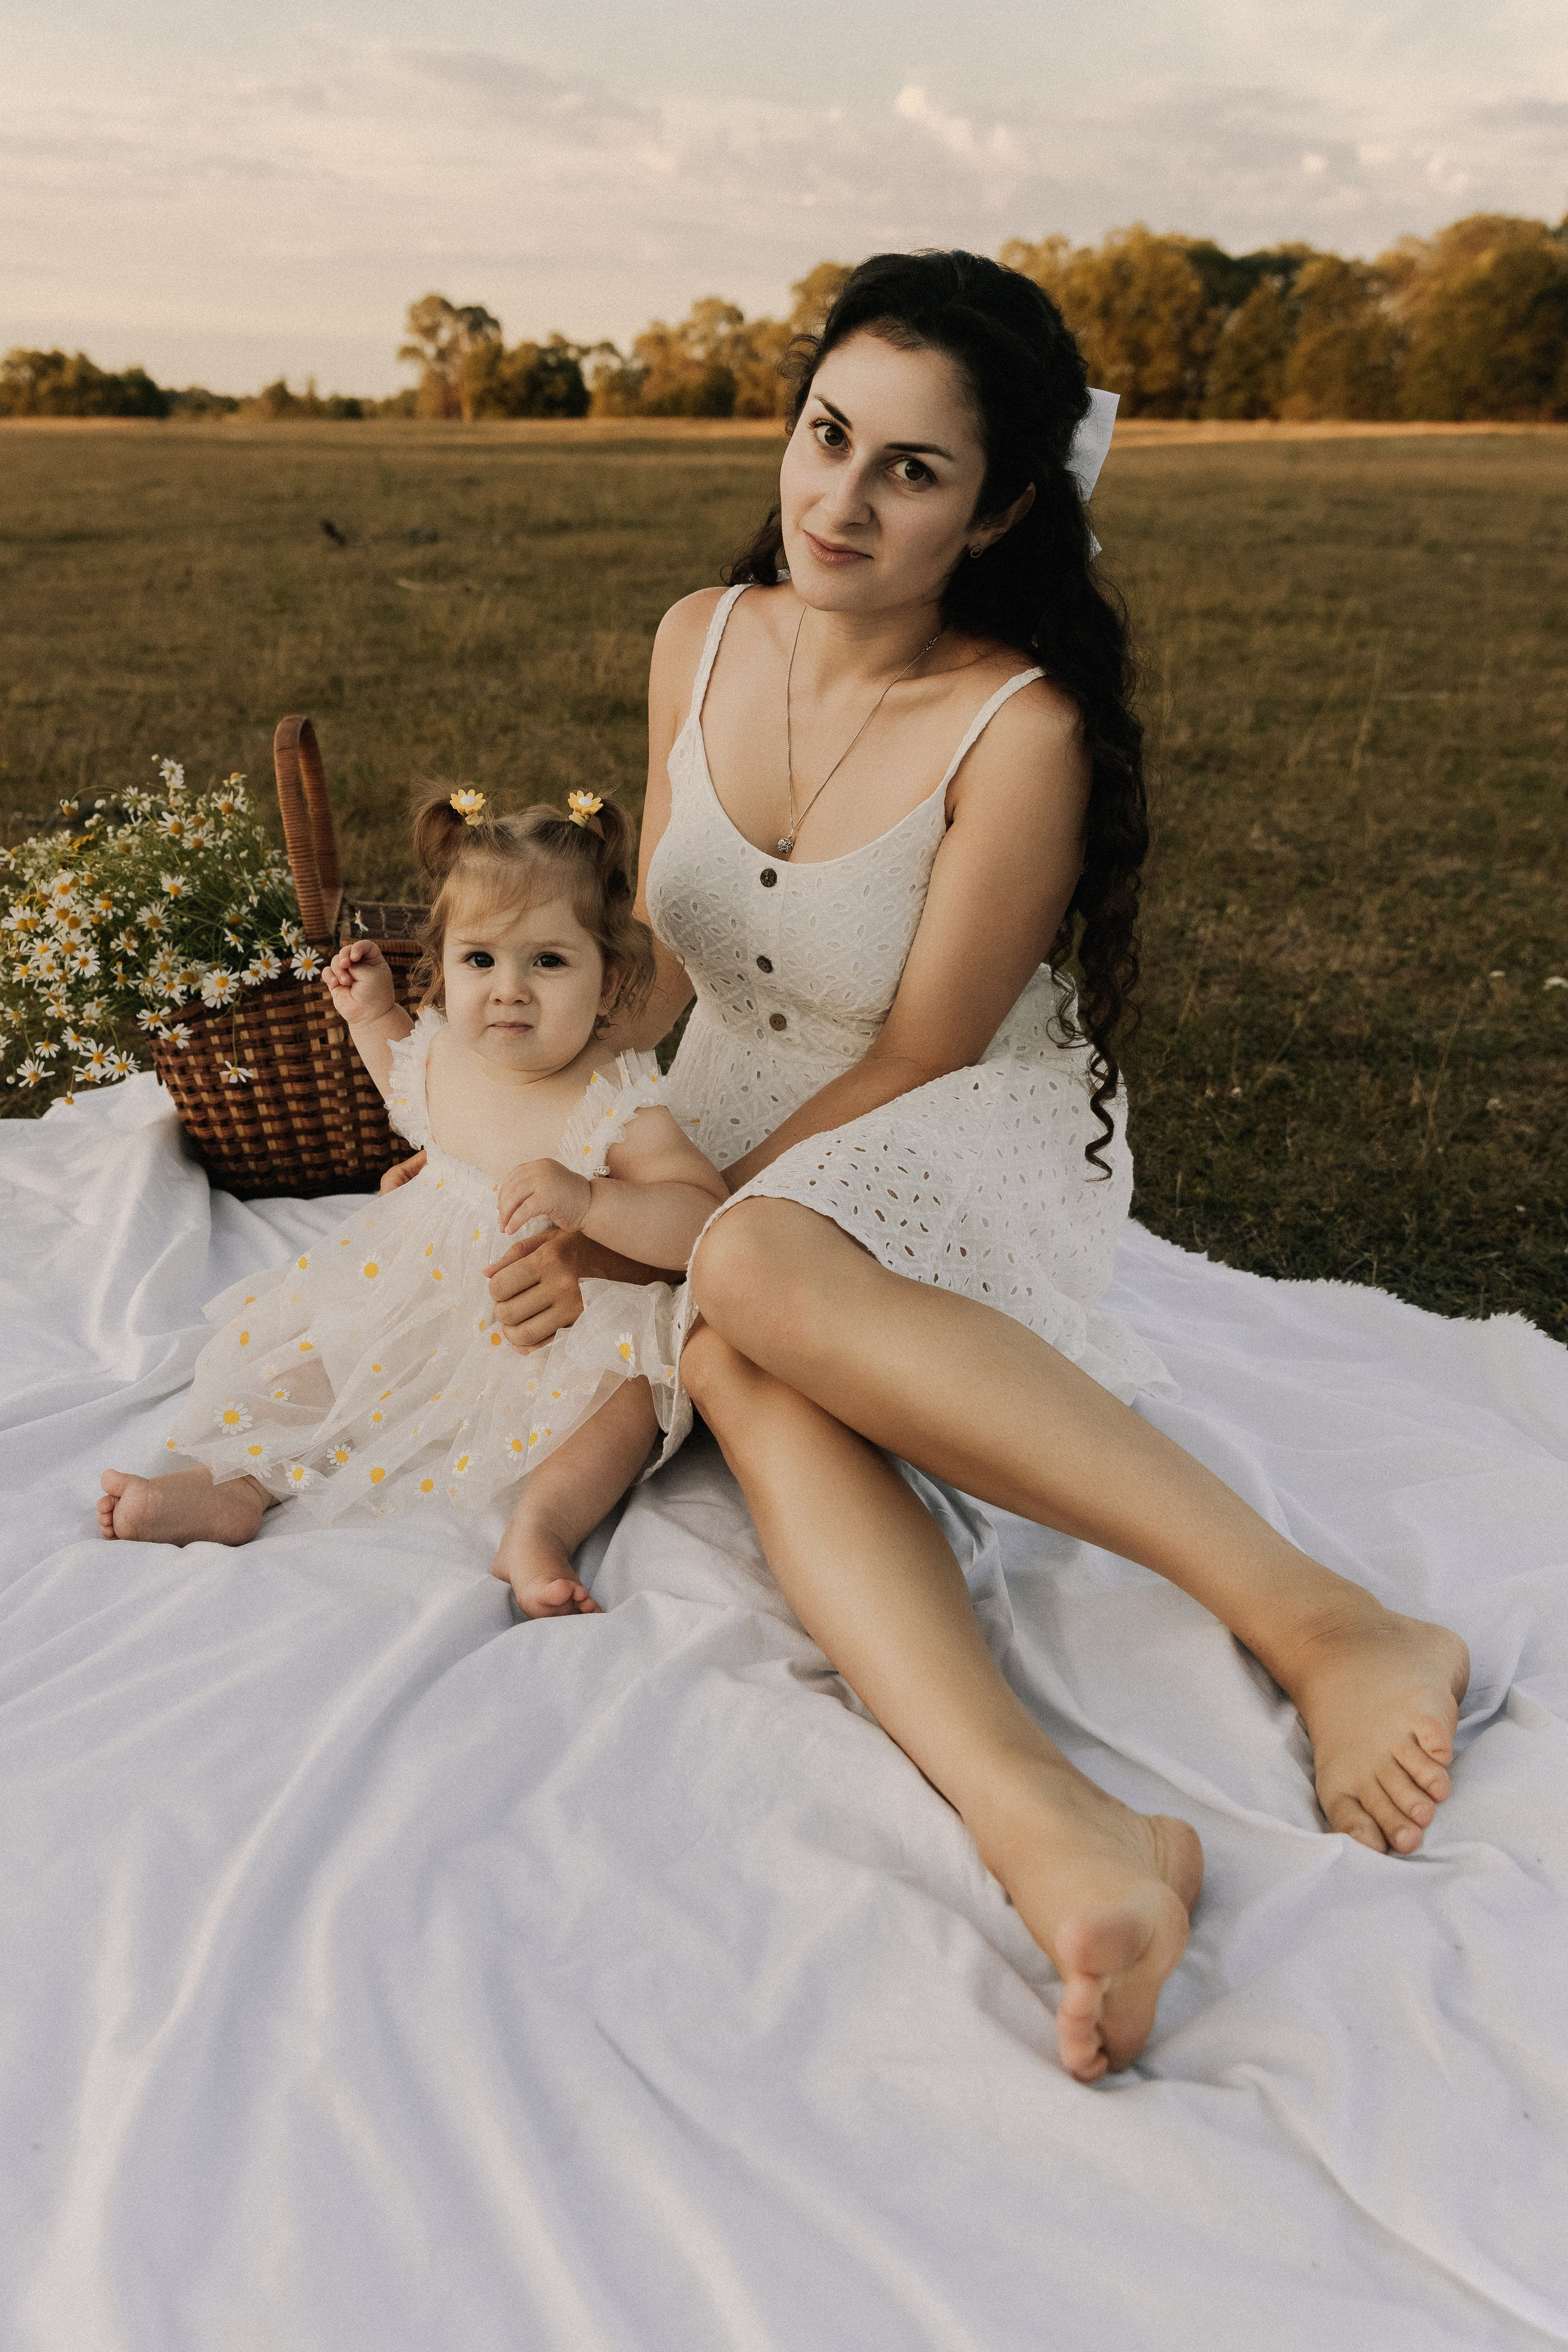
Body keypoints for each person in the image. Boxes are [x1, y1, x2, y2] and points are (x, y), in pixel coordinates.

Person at [410, 251, 1471, 2084]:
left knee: (738, 1287)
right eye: (831, 436)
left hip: (950, 1128)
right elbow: (672, 960)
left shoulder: (1022, 729)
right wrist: (555, 1099)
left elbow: (921, 1048)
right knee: (737, 1349)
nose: (840, 499)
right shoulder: (700, 636)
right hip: (738, 1133)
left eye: (911, 471)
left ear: (993, 515)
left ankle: (1335, 1622)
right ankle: (1056, 1826)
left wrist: (680, 1234)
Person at [97, 790, 726, 1617]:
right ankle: (234, 1486)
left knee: (627, 1388)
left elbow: (703, 1216)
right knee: (322, 1360)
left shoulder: (614, 1101)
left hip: (544, 1324)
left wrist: (593, 1199)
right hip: (422, 1292)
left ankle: (541, 1525)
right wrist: (375, 1013)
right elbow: (404, 1083)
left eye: (548, 962)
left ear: (609, 982)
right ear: (442, 965)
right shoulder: (445, 1055)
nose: (510, 991)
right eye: (480, 961)